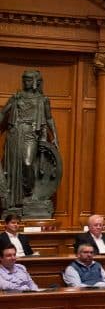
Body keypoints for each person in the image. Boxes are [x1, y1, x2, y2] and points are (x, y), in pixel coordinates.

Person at [0, 69, 59, 210]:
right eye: (24, 79)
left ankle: (29, 193)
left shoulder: (43, 99)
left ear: (35, 82)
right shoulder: (16, 97)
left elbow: (49, 119)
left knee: (27, 163)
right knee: (13, 167)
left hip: (30, 134)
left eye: (28, 79)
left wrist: (55, 136)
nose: (25, 82)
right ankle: (15, 201)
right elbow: (2, 113)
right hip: (14, 133)